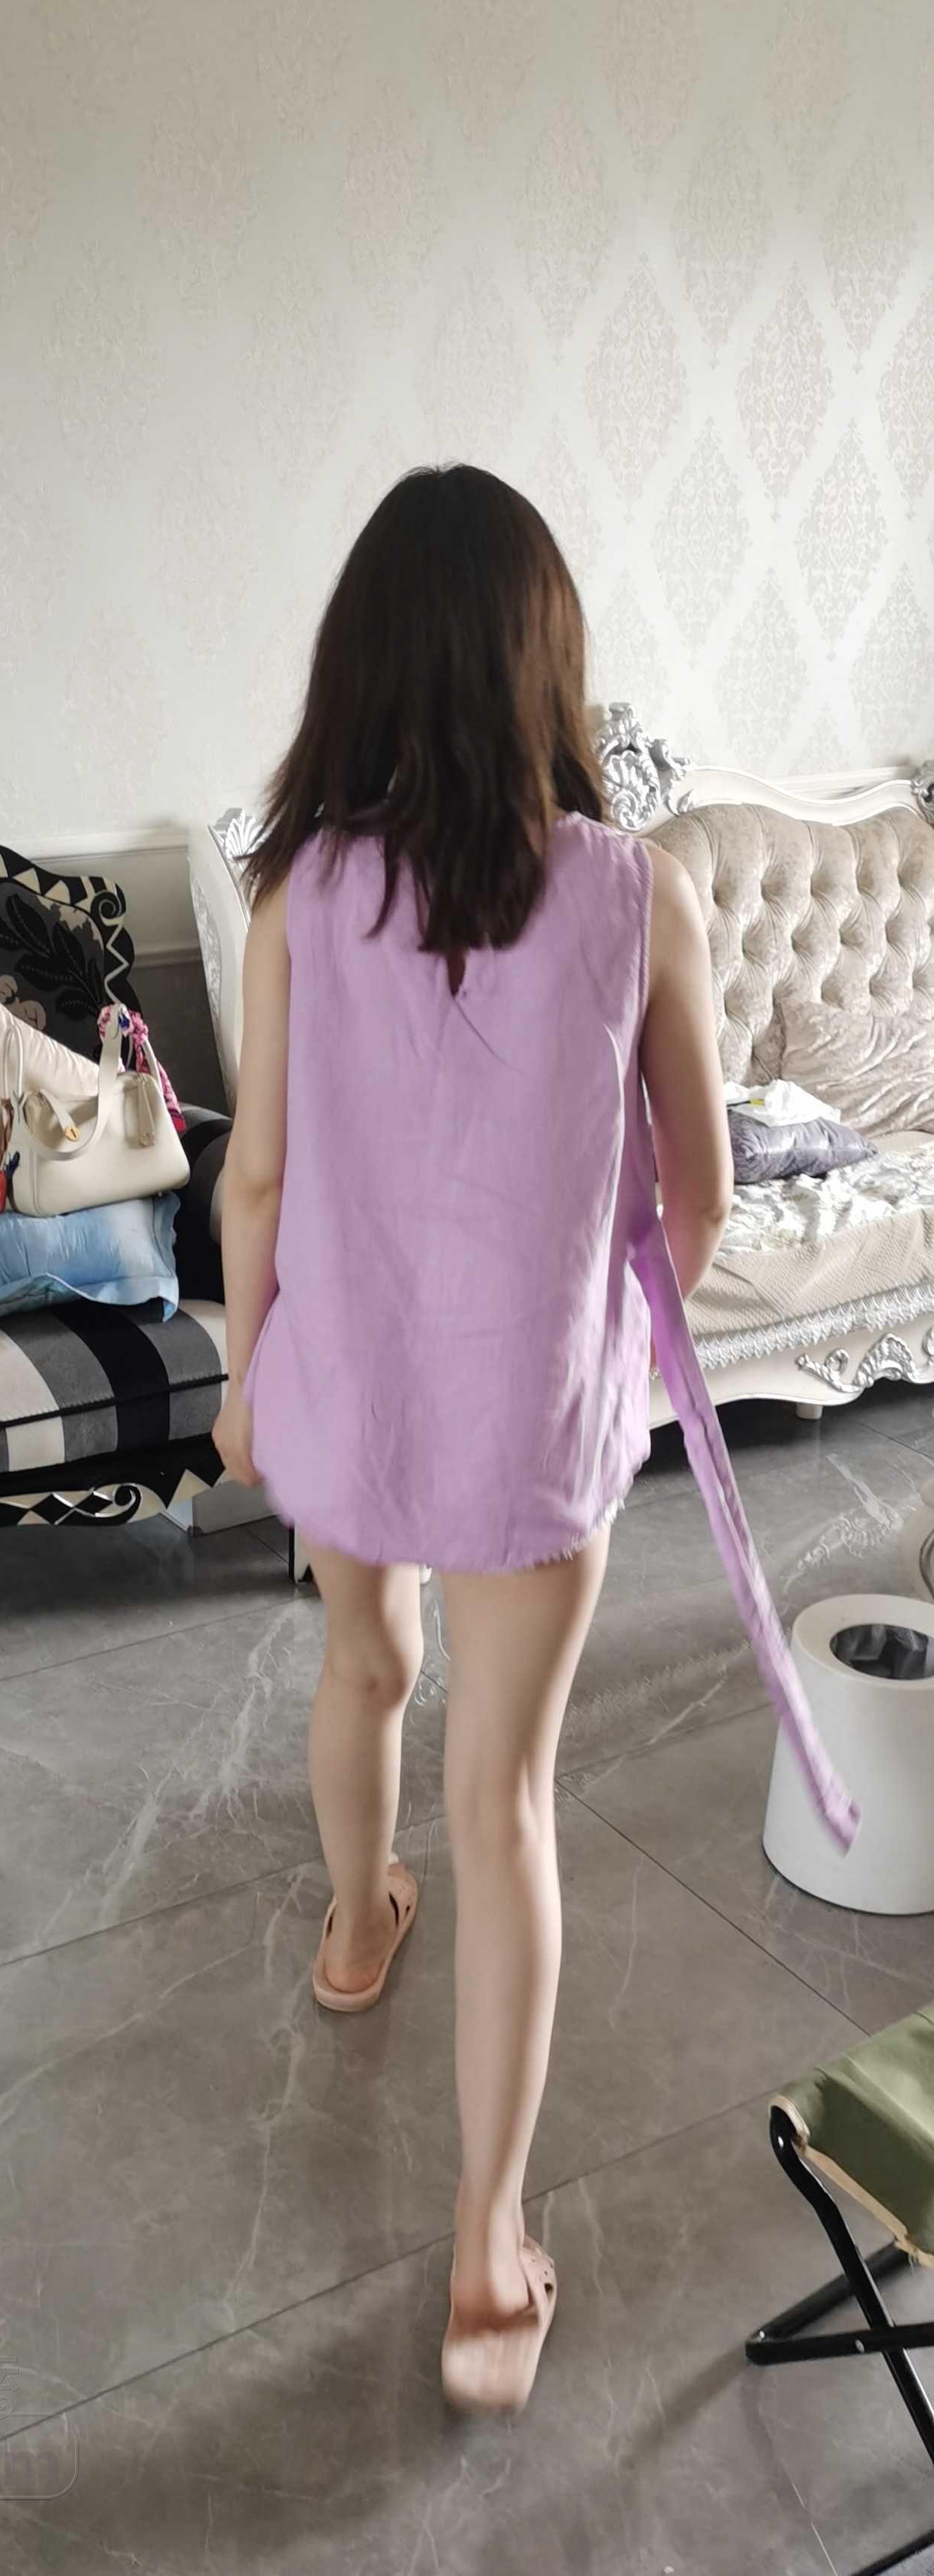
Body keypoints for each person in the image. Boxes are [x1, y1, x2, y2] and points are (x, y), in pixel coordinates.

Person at [211, 463, 850, 2417]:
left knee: (360, 1662)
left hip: (346, 1385)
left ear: (359, 667)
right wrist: (601, 1343)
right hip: (530, 1417)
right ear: (542, 664)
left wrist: (243, 1375)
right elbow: (702, 1194)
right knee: (504, 1801)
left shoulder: (299, 896)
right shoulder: (635, 893)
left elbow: (256, 1179)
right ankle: (489, 2255)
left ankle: (352, 1929)